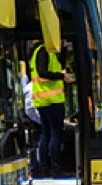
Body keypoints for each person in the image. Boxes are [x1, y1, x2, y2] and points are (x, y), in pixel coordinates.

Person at [29, 42, 74, 177]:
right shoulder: (45, 50)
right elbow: (43, 72)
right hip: (52, 100)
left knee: (46, 134)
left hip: (42, 100)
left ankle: (44, 168)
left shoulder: (37, 51)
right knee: (55, 134)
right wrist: (62, 76)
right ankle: (56, 169)